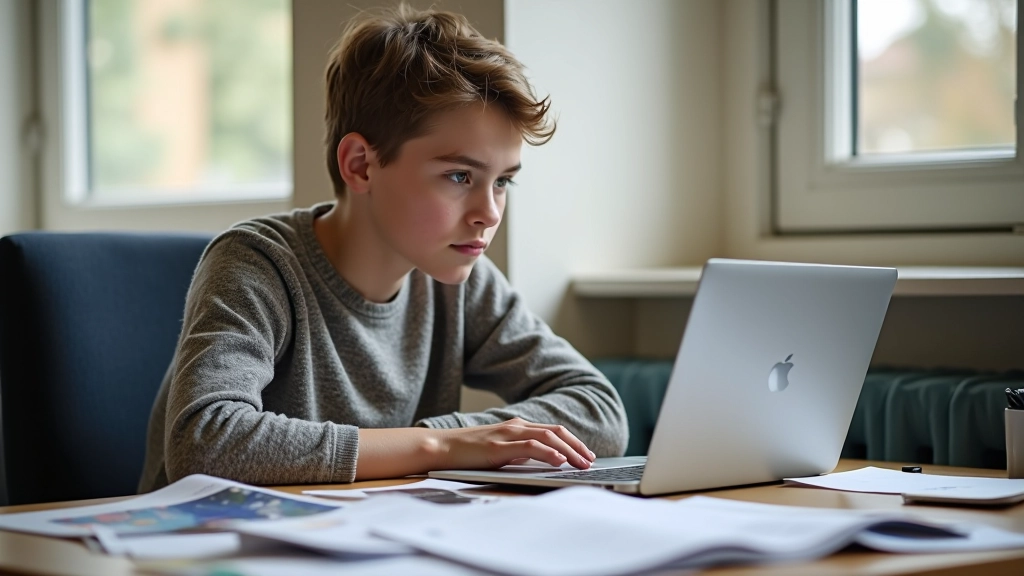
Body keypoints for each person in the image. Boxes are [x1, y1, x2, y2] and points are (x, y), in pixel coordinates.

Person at [138, 4, 628, 493]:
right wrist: (444, 447)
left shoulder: (460, 278)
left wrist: (440, 437)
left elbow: (600, 410)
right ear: (360, 165)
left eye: (502, 182)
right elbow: (204, 442)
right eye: (460, 176)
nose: (490, 213)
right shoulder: (255, 263)